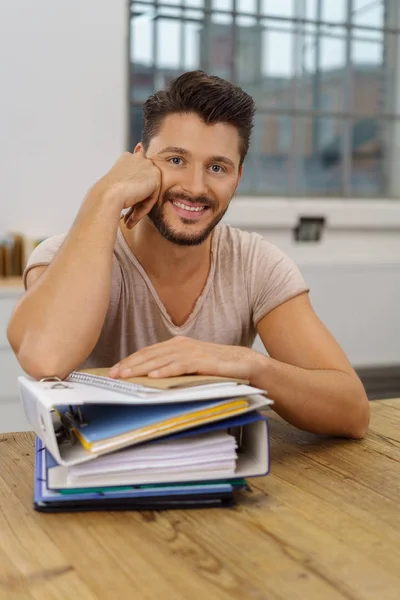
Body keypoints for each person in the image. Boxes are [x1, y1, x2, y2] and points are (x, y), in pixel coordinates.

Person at [7, 70, 369, 439]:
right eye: (176, 160)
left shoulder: (254, 263)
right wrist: (107, 194)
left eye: (217, 167)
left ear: (238, 177)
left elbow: (352, 412)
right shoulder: (62, 255)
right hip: (94, 475)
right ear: (139, 161)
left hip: (216, 469)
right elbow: (44, 359)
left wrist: (247, 364)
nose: (195, 188)